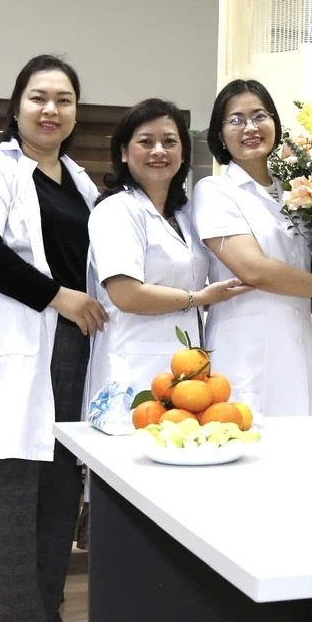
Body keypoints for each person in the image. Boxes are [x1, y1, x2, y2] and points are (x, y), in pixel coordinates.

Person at [0, 54, 107, 622]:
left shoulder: (80, 182)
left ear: (75, 113)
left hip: (69, 350)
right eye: (39, 97)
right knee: (6, 491)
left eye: (64, 100)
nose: (51, 110)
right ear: (16, 106)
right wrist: (58, 297)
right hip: (13, 348)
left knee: (57, 490)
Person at [190, 79, 312, 417]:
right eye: (236, 120)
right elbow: (255, 271)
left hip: (294, 357)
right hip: (244, 356)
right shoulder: (215, 191)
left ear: (274, 122)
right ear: (220, 134)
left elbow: (301, 286)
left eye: (259, 116)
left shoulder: (296, 193)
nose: (250, 127)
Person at [86, 98, 251, 402]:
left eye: (170, 142)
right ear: (124, 152)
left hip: (184, 370)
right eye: (146, 142)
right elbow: (126, 294)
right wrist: (200, 298)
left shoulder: (186, 215)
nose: (159, 151)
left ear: (183, 153)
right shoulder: (117, 210)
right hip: (132, 368)